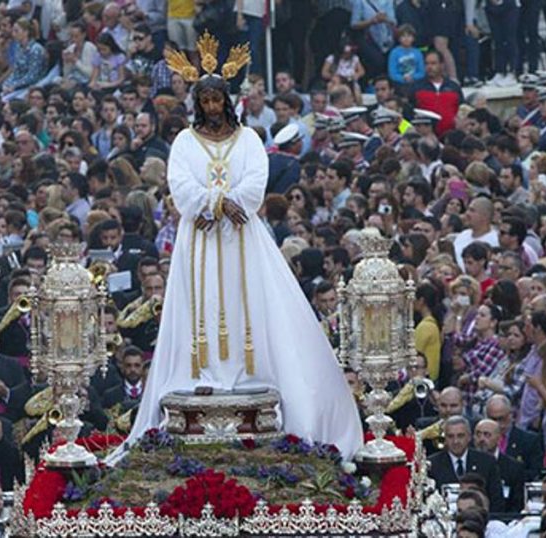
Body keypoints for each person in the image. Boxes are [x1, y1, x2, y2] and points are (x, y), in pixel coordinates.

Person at [111, 35, 362, 465]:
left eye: (215, 99)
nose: (210, 106)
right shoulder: (186, 142)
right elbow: (181, 183)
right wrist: (212, 203)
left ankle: (248, 370)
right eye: (204, 99)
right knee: (202, 300)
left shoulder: (247, 138)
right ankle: (202, 372)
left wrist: (231, 202)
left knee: (249, 299)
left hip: (241, 234)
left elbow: (255, 176)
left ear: (225, 100)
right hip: (202, 235)